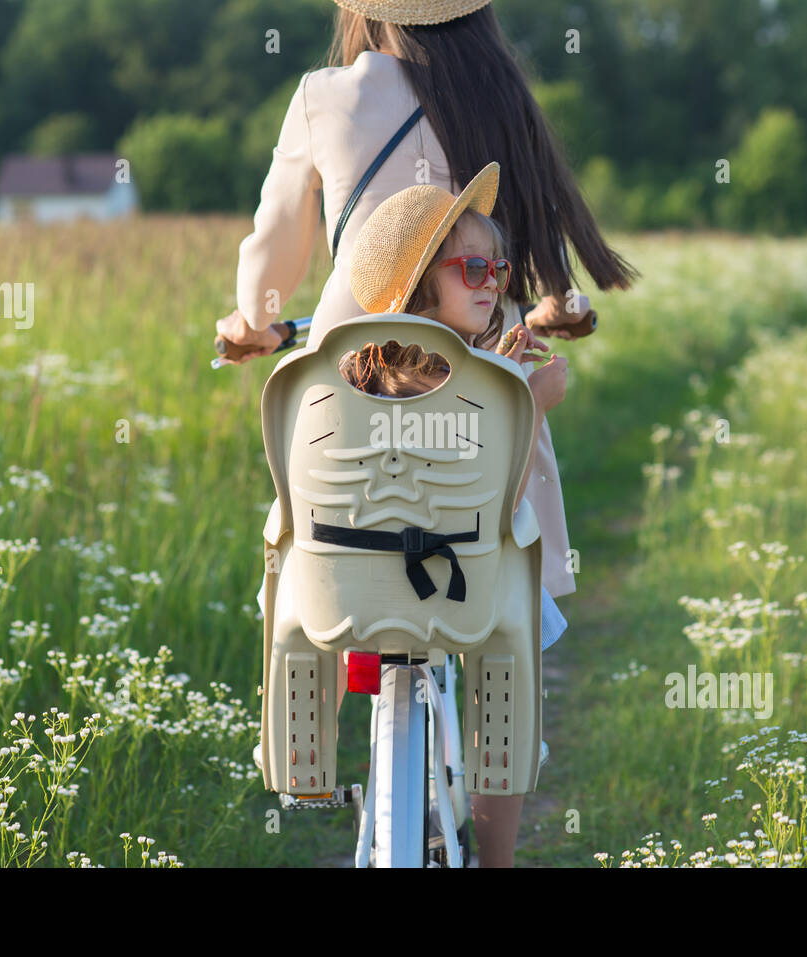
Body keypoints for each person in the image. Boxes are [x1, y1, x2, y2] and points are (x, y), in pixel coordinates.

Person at [219, 0, 640, 606]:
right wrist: (560, 306)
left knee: (326, 550)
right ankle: (501, 670)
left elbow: (275, 242)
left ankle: (315, 678)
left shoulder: (324, 94)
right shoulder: (501, 92)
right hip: (479, 341)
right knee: (500, 540)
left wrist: (254, 322)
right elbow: (541, 223)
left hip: (357, 345)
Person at [342, 161, 568, 866]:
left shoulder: (371, 366)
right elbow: (495, 487)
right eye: (473, 268)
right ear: (419, 285)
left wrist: (496, 365)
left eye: (498, 271)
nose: (494, 284)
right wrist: (528, 401)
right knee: (513, 653)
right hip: (461, 575)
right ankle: (497, 854)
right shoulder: (467, 381)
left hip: (356, 577)